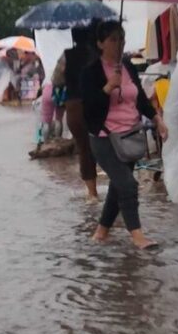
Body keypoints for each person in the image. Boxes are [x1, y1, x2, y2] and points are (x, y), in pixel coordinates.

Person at [81, 21, 168, 249]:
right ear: (100, 43)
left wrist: (157, 119)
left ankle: (101, 233)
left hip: (129, 136)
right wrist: (108, 87)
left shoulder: (128, 66)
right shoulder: (91, 70)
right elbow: (88, 108)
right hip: (104, 138)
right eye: (113, 40)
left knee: (118, 187)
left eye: (121, 39)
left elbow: (139, 98)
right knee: (128, 184)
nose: (119, 44)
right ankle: (138, 236)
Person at [64, 23, 101, 201]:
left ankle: (92, 193)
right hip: (95, 104)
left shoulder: (67, 55)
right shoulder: (98, 55)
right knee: (104, 145)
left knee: (84, 149)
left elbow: (56, 79)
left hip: (74, 106)